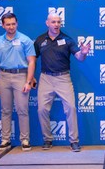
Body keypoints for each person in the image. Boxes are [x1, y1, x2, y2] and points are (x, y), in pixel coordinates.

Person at [34, 13, 90, 152]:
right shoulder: (40, 40)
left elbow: (79, 57)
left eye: (58, 22)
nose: (56, 24)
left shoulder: (67, 40)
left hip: (63, 78)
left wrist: (83, 52)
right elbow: (32, 59)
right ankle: (47, 139)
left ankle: (74, 141)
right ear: (47, 23)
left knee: (71, 108)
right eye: (53, 22)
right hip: (45, 78)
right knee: (41, 109)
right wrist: (31, 77)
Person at [0, 12, 36, 152]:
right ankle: (5, 139)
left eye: (13, 24)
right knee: (5, 110)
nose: (11, 27)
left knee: (22, 109)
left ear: (17, 24)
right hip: (3, 77)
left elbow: (32, 61)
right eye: (8, 24)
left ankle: (25, 139)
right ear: (3, 25)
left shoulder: (25, 40)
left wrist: (28, 81)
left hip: (21, 76)